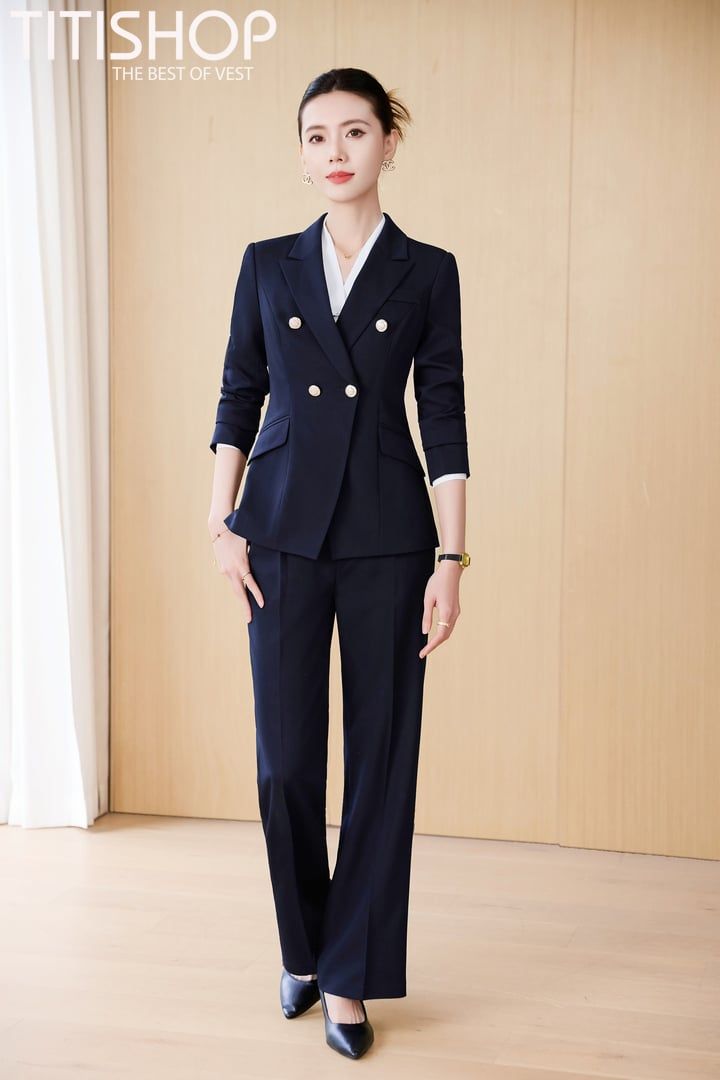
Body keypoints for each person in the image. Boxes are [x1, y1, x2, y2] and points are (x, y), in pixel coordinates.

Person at [207, 67, 471, 1061]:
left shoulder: (427, 270)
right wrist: (222, 522)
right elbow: (238, 393)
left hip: (389, 538)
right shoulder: (268, 264)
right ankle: (304, 947)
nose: (335, 152)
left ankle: (349, 973)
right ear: (303, 152)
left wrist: (452, 554)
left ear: (388, 142)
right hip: (277, 531)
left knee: (380, 764)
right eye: (317, 135)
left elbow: (442, 413)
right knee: (285, 764)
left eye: (354, 132)